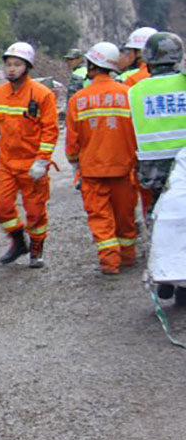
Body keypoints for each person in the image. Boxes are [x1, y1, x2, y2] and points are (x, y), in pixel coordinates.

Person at [0, 42, 58, 267]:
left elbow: (50, 130)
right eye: (8, 65)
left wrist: (42, 161)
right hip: (7, 164)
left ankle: (36, 248)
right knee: (0, 206)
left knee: (35, 212)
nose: (12, 69)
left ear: (27, 67)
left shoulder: (42, 95)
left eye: (17, 64)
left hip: (32, 164)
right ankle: (18, 242)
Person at [65, 42, 137, 275]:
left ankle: (109, 262)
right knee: (125, 216)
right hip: (124, 169)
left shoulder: (78, 99)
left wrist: (76, 163)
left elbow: (72, 142)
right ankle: (127, 256)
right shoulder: (129, 95)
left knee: (100, 218)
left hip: (92, 170)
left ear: (92, 67)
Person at [128, 31, 186, 228]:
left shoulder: (135, 90)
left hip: (152, 165)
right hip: (184, 160)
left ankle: (160, 250)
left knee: (158, 210)